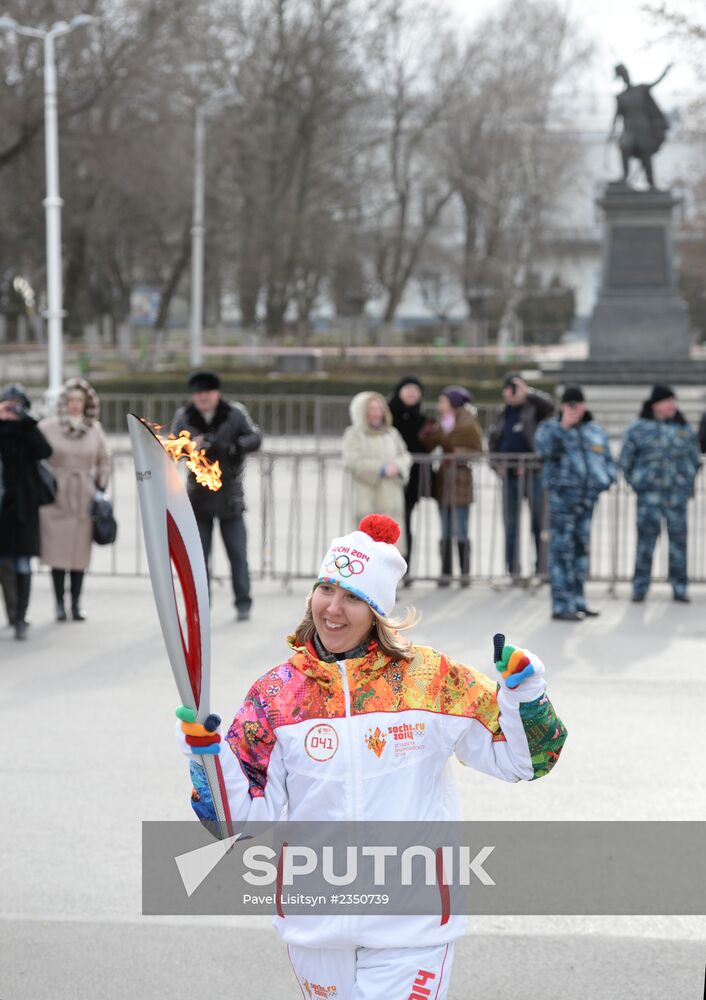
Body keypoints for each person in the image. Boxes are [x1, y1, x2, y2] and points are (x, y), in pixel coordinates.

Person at [176, 513, 567, 999]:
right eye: (326, 589)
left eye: (353, 597)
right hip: (315, 925)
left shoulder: (430, 679)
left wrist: (525, 696)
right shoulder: (277, 694)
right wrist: (207, 760)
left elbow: (524, 761)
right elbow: (238, 822)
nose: (333, 608)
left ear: (379, 610)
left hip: (413, 923)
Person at [171, 371, 262, 622]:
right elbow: (172, 448)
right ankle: (200, 606)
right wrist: (191, 446)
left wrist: (234, 447)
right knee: (199, 558)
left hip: (230, 495)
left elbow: (254, 437)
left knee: (238, 554)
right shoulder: (184, 416)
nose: (203, 397)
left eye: (207, 392)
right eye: (198, 393)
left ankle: (243, 602)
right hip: (198, 497)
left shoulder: (234, 413)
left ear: (217, 393)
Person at [535, 386, 616, 621]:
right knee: (561, 552)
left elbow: (607, 458)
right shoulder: (551, 428)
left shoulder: (594, 430)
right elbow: (543, 450)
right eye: (570, 404)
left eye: (578, 404)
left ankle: (579, 601)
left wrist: (606, 479)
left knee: (581, 552)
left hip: (587, 501)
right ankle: (561, 604)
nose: (575, 409)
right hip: (562, 501)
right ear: (562, 406)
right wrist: (563, 428)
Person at [38, 378, 112, 622]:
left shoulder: (94, 429)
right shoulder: (48, 427)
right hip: (56, 496)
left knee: (80, 554)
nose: (75, 406)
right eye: (70, 401)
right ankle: (59, 604)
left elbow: (104, 460)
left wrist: (100, 488)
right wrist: (47, 482)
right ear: (63, 403)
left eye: (79, 401)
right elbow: (37, 457)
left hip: (84, 496)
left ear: (87, 403)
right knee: (57, 553)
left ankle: (76, 604)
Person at [620, 384, 699, 603]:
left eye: (673, 401)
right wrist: (638, 483)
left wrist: (686, 482)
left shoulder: (683, 428)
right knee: (645, 544)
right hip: (649, 498)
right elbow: (626, 460)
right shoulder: (638, 428)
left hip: (676, 498)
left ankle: (680, 587)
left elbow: (694, 458)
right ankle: (640, 586)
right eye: (667, 401)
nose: (672, 405)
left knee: (679, 545)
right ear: (655, 404)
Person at [488, 373, 554, 579]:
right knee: (511, 525)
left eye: (516, 387)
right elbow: (493, 442)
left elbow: (551, 406)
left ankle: (542, 567)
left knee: (539, 523)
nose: (513, 392)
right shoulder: (502, 413)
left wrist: (529, 392)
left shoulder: (534, 409)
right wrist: (495, 465)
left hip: (534, 474)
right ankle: (513, 568)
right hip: (510, 476)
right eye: (509, 388)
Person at [0, 384, 52, 640]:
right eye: (6, 403)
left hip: (22, 509)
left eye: (15, 404)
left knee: (22, 563)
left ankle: (20, 616)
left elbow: (45, 451)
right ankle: (13, 614)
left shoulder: (28, 430)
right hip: (2, 509)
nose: (10, 408)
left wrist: (27, 423)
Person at [420, 386, 483, 587]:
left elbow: (477, 450)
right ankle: (446, 572)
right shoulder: (442, 423)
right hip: (444, 480)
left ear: (452, 403)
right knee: (445, 529)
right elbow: (430, 445)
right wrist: (427, 434)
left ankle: (464, 573)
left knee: (461, 528)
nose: (439, 405)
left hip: (461, 480)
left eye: (443, 401)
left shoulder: (467, 422)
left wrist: (456, 453)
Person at [342, 391, 411, 552]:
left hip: (391, 497)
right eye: (372, 409)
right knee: (366, 549)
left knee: (390, 548)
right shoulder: (354, 434)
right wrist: (380, 469)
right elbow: (352, 461)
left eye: (379, 408)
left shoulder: (391, 433)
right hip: (367, 496)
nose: (376, 413)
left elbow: (405, 456)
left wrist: (397, 467)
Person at [387, 375, 428, 583]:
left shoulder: (422, 418)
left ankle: (403, 568)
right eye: (408, 388)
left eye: (416, 389)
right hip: (388, 480)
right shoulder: (387, 415)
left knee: (405, 524)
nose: (412, 393)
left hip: (410, 481)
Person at [611, 63, 672, 189]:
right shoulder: (621, 97)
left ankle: (651, 183)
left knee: (646, 154)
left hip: (645, 130)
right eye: (623, 75)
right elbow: (617, 116)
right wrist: (611, 132)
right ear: (620, 78)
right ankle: (625, 176)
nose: (625, 76)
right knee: (624, 146)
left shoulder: (641, 89)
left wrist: (665, 71)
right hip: (630, 131)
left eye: (626, 73)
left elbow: (656, 82)